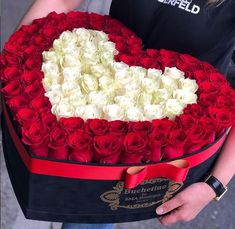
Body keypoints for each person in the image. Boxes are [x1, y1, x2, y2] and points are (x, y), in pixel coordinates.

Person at [16, 0, 235, 228]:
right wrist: (12, 60)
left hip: (165, 142)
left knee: (87, 220)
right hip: (93, 107)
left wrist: (215, 184)